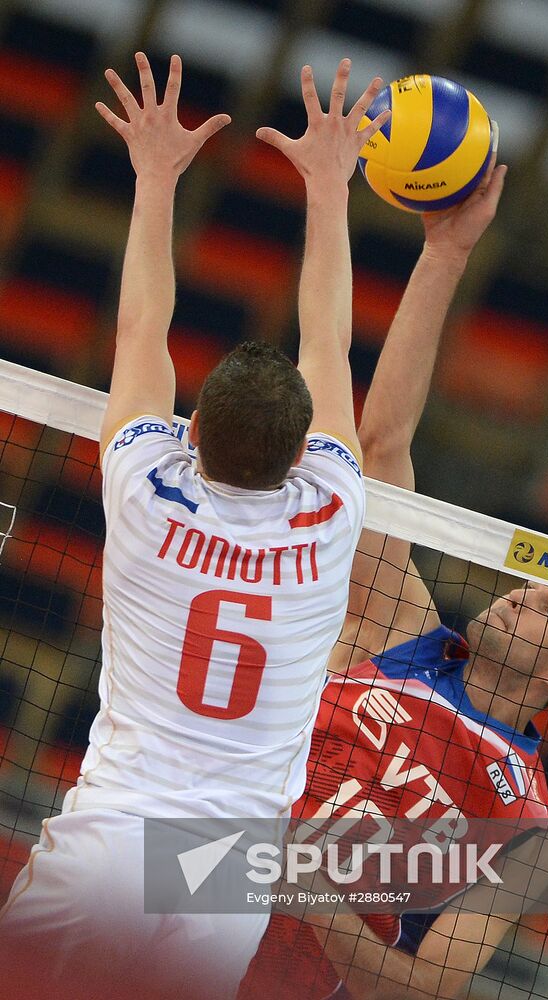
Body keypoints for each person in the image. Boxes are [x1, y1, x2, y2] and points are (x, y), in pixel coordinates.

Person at [0, 53, 390, 1000]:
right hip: (225, 870)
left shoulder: (142, 488)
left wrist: (155, 173)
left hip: (114, 832)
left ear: (194, 430)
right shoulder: (334, 508)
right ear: (303, 451)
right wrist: (333, 188)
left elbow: (141, 332)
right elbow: (328, 341)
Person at [239, 145, 548, 999]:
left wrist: (315, 894)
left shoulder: (527, 833)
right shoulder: (403, 636)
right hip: (177, 912)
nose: (522, 593)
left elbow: (416, 990)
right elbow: (381, 453)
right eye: (534, 586)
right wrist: (444, 254)